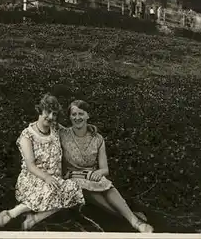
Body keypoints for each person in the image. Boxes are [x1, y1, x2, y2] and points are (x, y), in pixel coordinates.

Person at [59, 100, 154, 233]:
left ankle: (135, 222)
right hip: (72, 179)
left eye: (81, 113)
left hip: (92, 177)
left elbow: (105, 169)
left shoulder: (97, 138)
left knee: (106, 184)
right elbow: (45, 118)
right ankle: (130, 218)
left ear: (88, 115)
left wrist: (98, 173)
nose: (77, 117)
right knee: (85, 187)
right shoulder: (62, 134)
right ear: (69, 117)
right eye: (73, 114)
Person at [0, 94, 84, 230]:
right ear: (40, 110)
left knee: (74, 190)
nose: (50, 117)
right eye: (47, 112)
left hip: (54, 179)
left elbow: (71, 132)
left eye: (54, 114)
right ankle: (12, 213)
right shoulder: (27, 135)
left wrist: (87, 128)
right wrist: (47, 177)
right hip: (33, 178)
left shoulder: (55, 129)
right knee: (53, 190)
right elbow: (30, 166)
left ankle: (34, 218)